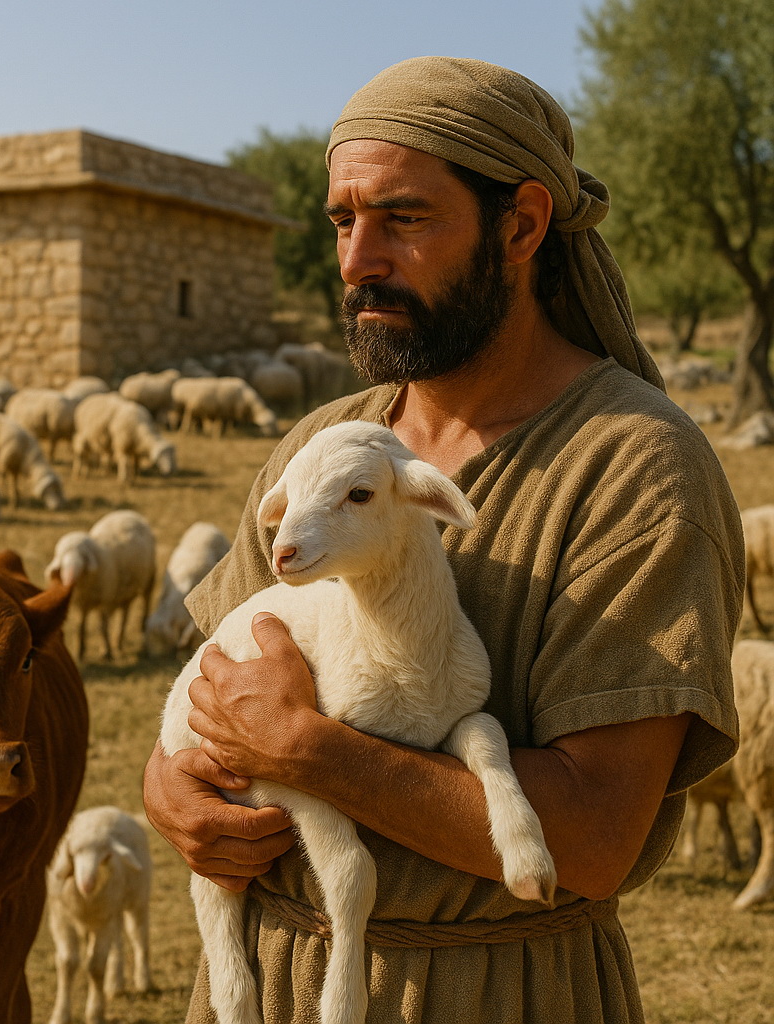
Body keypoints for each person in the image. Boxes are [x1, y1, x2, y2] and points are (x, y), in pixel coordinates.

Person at [142, 56, 744, 1024]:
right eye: (344, 221)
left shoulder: (632, 468)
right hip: (267, 979)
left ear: (521, 224)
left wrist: (311, 751)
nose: (355, 259)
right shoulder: (326, 443)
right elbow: (220, 691)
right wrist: (168, 793)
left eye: (402, 218)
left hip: (489, 991)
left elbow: (591, 836)